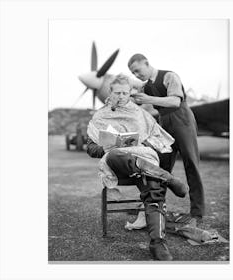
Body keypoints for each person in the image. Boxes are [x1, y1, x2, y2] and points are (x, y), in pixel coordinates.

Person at [86, 74, 188, 261]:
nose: (121, 96)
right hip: (116, 165)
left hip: (142, 162)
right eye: (117, 92)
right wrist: (105, 147)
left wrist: (145, 146)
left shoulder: (140, 113)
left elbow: (158, 141)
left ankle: (158, 242)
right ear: (110, 92)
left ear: (130, 92)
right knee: (117, 154)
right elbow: (90, 148)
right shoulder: (100, 116)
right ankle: (168, 177)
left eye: (125, 92)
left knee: (153, 185)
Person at [128, 54, 205, 221]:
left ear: (146, 63)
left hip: (181, 118)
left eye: (138, 70)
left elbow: (175, 102)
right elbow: (135, 99)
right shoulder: (145, 86)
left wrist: (148, 99)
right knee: (161, 167)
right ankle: (155, 207)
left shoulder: (169, 76)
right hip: (163, 123)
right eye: (133, 73)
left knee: (191, 163)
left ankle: (197, 212)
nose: (136, 75)